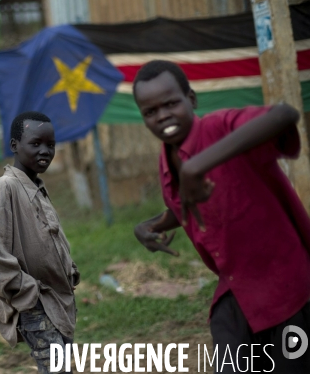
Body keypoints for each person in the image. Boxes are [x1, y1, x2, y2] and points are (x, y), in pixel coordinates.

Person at [132, 60, 310, 373]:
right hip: (236, 290)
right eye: (151, 112)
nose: (162, 116)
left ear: (192, 99)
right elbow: (185, 204)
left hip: (286, 286)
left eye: (171, 103)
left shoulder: (220, 127)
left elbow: (283, 116)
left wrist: (198, 164)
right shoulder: (168, 161)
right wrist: (153, 225)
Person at [0, 111, 80, 374]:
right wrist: (24, 288)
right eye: (35, 144)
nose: (45, 151)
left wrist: (70, 268)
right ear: (14, 146)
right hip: (35, 303)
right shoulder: (6, 186)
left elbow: (48, 237)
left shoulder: (36, 187)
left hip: (57, 299)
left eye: (50, 145)